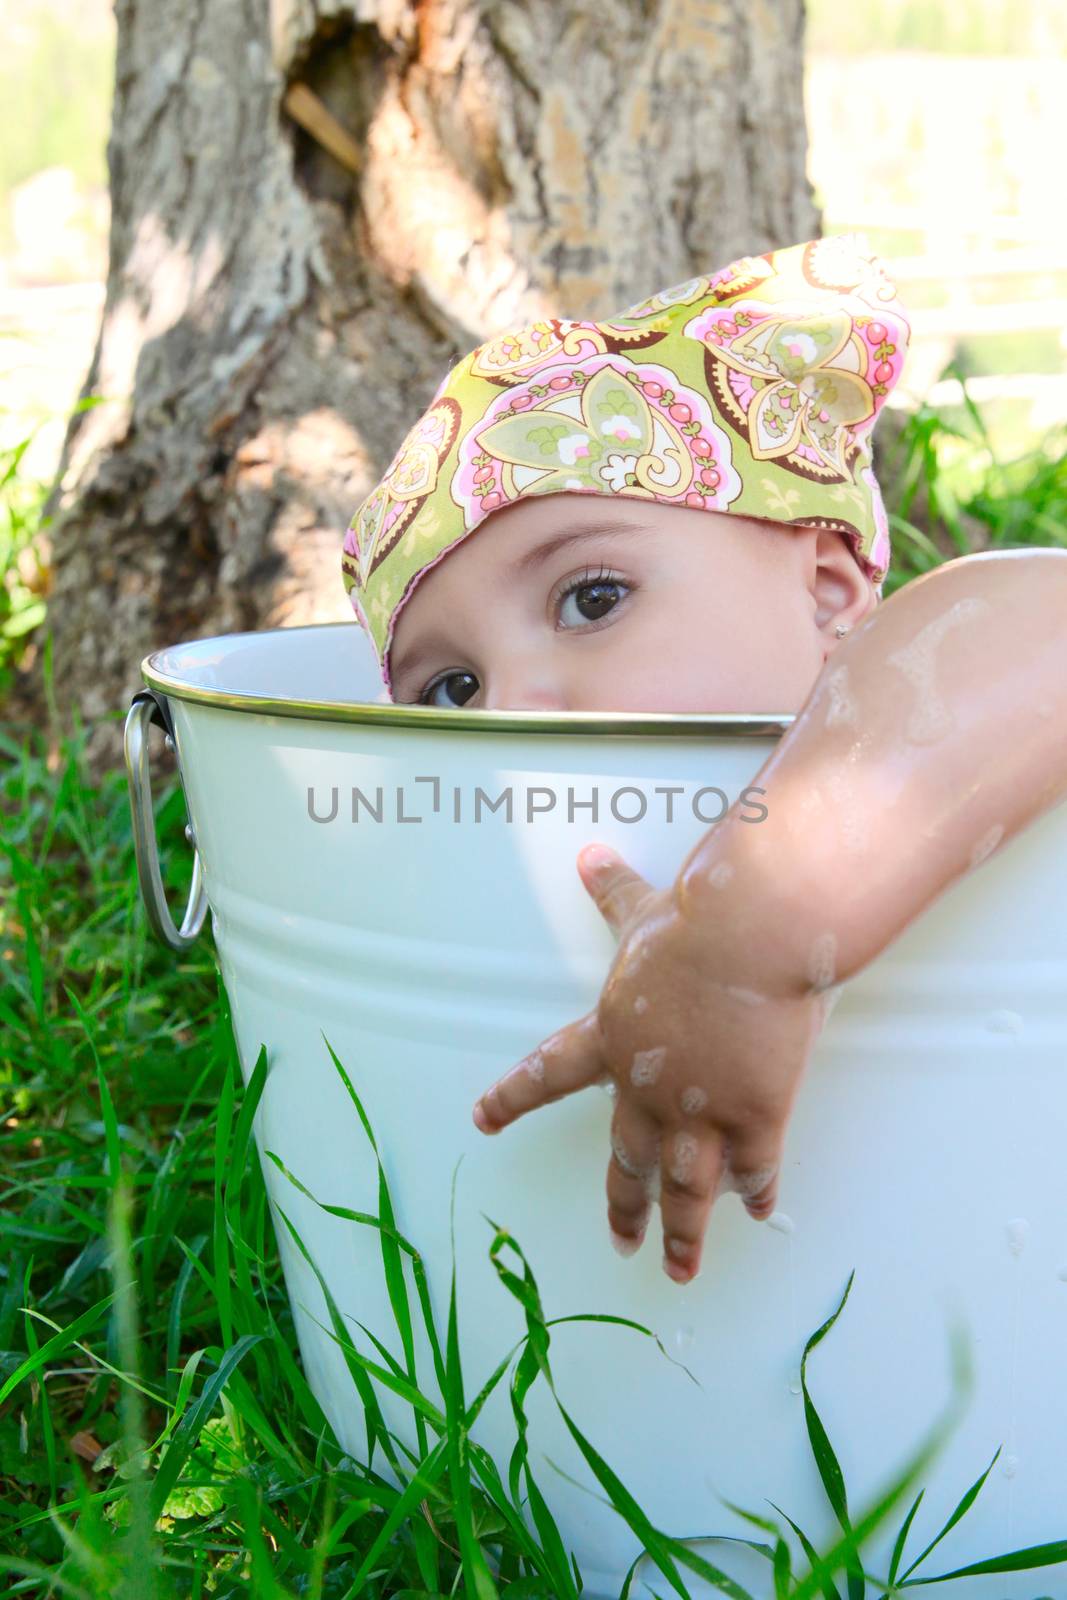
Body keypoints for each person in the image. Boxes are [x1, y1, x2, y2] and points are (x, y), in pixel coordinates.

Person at [340, 234, 1067, 1287]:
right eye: (450, 688)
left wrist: (744, 930)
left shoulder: (954, 700)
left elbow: (1041, 610)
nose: (512, 704)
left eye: (591, 598)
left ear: (824, 589)